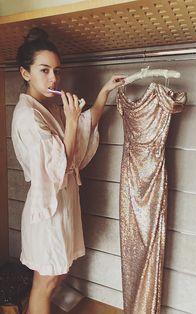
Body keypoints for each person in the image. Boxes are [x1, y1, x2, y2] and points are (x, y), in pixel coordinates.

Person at [11, 27, 125, 314]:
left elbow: (84, 131)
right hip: (47, 208)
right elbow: (57, 166)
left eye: (57, 71)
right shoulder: (27, 116)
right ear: (26, 73)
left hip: (63, 204)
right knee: (45, 282)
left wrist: (103, 93)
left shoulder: (48, 108)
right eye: (44, 70)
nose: (53, 78)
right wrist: (72, 122)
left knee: (58, 274)